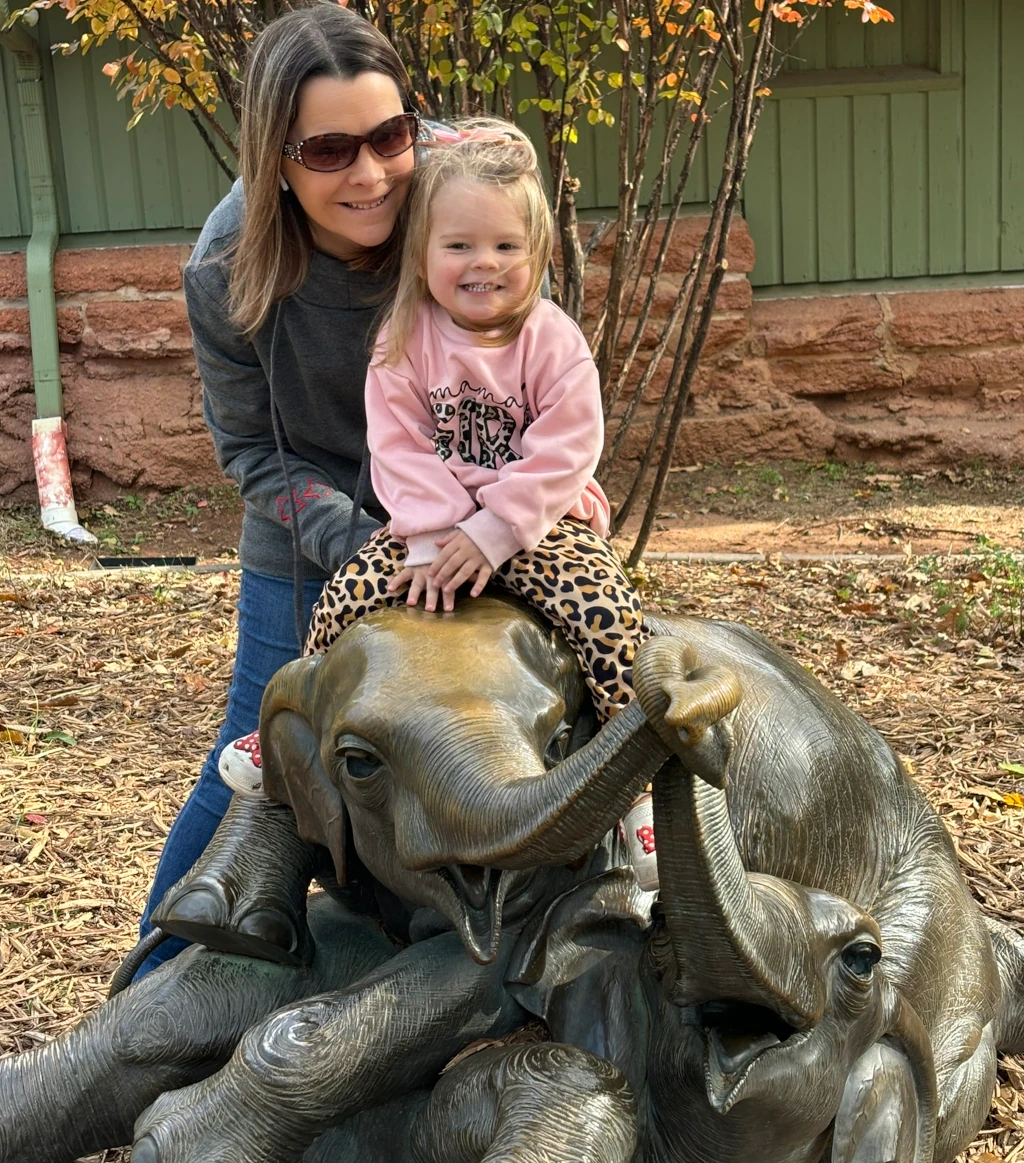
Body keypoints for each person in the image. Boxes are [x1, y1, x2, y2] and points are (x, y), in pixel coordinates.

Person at [218, 118, 659, 890]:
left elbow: (565, 449)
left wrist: (494, 532)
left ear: (537, 255)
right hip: (432, 525)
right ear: (419, 254)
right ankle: (286, 735)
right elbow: (399, 445)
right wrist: (428, 537)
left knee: (611, 621)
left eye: (505, 247)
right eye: (458, 246)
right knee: (344, 598)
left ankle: (633, 793)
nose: (483, 264)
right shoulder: (406, 337)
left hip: (536, 523)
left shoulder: (552, 341)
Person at [136, 2, 430, 973]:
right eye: (331, 150)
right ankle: (148, 981)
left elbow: (544, 336)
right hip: (307, 538)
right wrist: (368, 549)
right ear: (275, 158)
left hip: (472, 521)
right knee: (253, 752)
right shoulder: (225, 266)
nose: (373, 172)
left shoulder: (467, 194)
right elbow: (254, 454)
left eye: (391, 135)